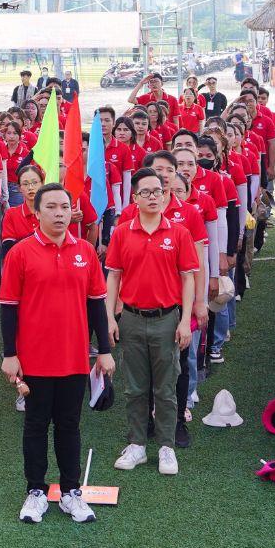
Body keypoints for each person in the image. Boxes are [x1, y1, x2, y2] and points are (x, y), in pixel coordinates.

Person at [0, 185, 115, 523]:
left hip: (74, 358)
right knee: (35, 425)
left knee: (69, 426)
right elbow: (8, 307)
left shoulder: (86, 252)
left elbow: (96, 306)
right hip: (34, 359)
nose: (60, 212)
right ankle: (36, 491)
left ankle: (70, 493)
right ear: (37, 213)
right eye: (51, 206)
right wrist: (9, 353)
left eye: (65, 206)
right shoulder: (20, 253)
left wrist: (104, 351)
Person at [106, 169, 198, 477]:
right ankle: (137, 445)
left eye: (158, 191)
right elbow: (114, 276)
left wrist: (185, 320)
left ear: (166, 194)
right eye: (145, 192)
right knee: (135, 387)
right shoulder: (121, 232)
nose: (153, 197)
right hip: (131, 319)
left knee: (166, 387)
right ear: (134, 198)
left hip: (166, 320)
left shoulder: (178, 233)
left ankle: (166, 447)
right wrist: (109, 317)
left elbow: (188, 278)